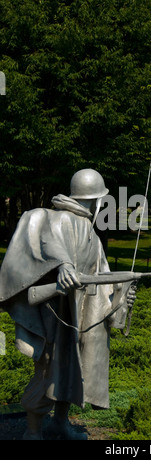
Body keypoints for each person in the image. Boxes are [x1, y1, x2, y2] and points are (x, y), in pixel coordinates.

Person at [0, 169, 136, 440]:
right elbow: (48, 242)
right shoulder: (52, 217)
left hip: (83, 312)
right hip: (56, 311)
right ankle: (33, 430)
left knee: (75, 368)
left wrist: (121, 297)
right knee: (50, 367)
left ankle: (59, 422)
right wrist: (64, 265)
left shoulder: (92, 234)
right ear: (96, 199)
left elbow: (102, 278)